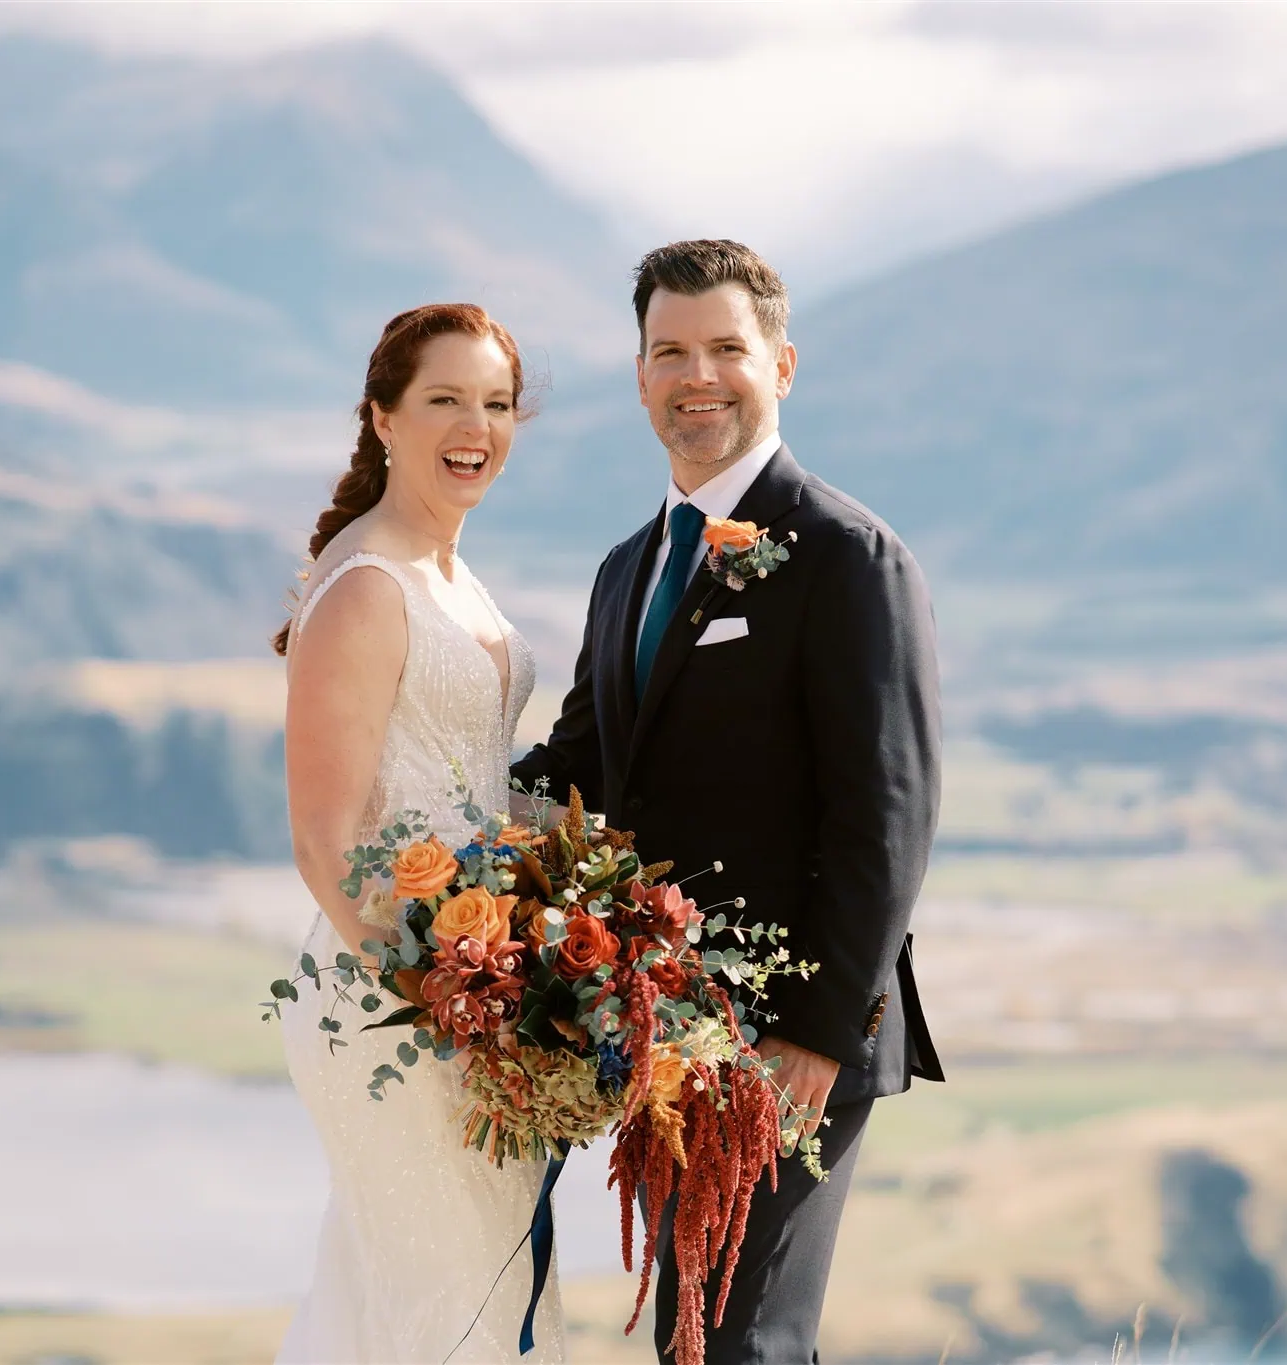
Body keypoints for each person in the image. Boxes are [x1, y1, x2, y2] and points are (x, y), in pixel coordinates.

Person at [513, 240, 944, 1364]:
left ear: (781, 365)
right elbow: (581, 769)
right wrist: (428, 823)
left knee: (739, 1344)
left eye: (725, 349)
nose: (695, 375)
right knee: (693, 1340)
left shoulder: (848, 555)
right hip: (662, 1026)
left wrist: (814, 1034)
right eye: (669, 351)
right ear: (639, 375)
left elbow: (886, 815)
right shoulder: (626, 568)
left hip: (792, 1040)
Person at [274, 302, 563, 1362]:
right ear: (383, 417)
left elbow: (469, 783)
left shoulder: (444, 565)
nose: (474, 427)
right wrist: (446, 1006)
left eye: (496, 403)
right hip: (394, 1010)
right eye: (444, 399)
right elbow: (323, 840)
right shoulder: (366, 587)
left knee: (464, 1301)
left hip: (472, 991)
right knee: (445, 1308)